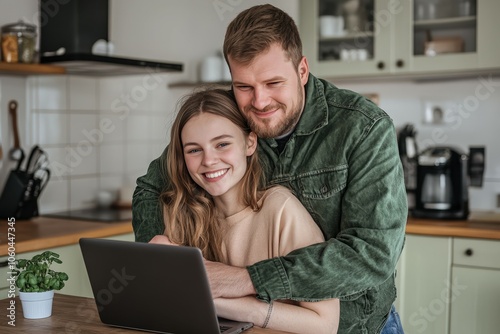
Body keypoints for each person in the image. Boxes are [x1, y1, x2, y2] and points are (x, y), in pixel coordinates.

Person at [133, 4, 407, 334]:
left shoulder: (362, 128)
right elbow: (152, 187)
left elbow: (372, 254)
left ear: (302, 71)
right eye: (243, 86)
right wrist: (160, 251)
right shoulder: (230, 118)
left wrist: (246, 279)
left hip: (356, 327)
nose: (259, 102)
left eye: (273, 82)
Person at [151, 88, 339, 333]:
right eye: (194, 150)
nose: (208, 160)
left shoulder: (280, 210)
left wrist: (217, 301)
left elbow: (325, 325)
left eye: (222, 144)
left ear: (250, 143)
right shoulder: (181, 211)